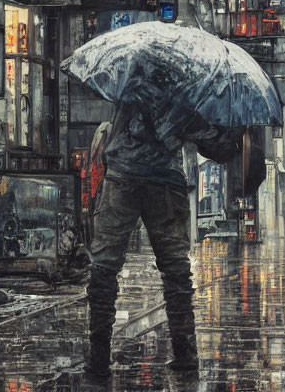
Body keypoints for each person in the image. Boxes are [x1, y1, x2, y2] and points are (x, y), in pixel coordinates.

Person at [85, 104, 240, 380]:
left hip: (121, 178)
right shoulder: (179, 93)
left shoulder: (128, 81)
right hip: (164, 183)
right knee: (175, 269)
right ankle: (185, 351)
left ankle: (98, 355)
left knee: (104, 267)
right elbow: (215, 145)